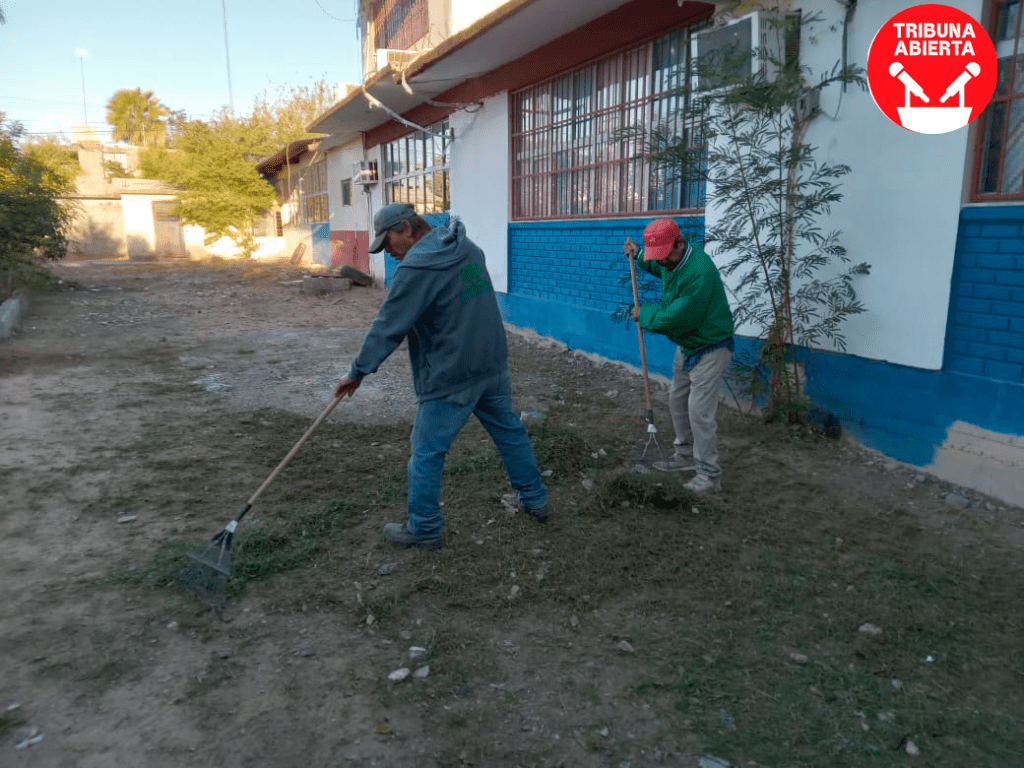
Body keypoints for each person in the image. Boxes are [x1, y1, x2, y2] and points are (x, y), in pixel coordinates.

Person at [335, 203, 550, 549]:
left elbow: (388, 326)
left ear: (406, 228)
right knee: (510, 431)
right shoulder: (465, 247)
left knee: (426, 452)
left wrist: (358, 371)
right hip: (490, 362)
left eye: (387, 242)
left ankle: (423, 528)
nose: (388, 252)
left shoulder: (417, 269)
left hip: (451, 374)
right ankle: (535, 499)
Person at [624, 218, 735, 492]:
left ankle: (709, 475)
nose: (661, 262)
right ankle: (684, 455)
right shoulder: (672, 261)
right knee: (677, 400)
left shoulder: (698, 272)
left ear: (680, 243)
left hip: (710, 346)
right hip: (688, 344)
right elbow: (659, 266)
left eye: (664, 255)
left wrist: (644, 313)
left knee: (699, 412)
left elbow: (676, 318)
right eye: (657, 257)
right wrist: (639, 255)